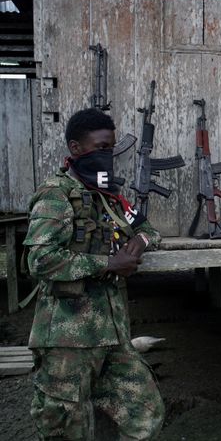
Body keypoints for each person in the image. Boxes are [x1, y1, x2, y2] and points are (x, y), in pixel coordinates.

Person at [24, 108, 165, 440]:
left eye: (111, 148)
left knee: (145, 413)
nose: (108, 155)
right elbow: (41, 260)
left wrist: (139, 243)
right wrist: (107, 265)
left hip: (111, 335)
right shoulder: (56, 194)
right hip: (66, 339)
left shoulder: (108, 197)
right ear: (75, 148)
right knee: (68, 427)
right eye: (100, 147)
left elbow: (148, 230)